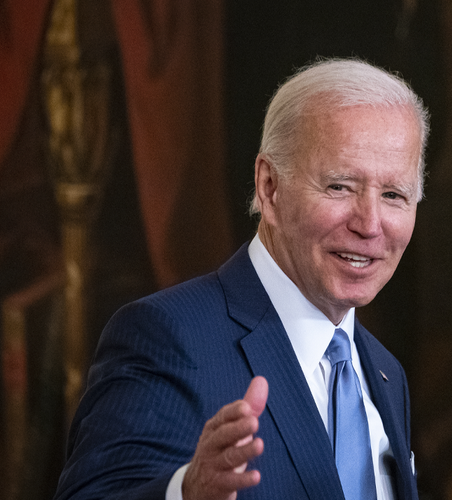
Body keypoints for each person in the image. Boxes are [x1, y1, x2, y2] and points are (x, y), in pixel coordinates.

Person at [54, 58, 429, 500]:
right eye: (339, 186)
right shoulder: (168, 337)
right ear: (269, 188)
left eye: (393, 195)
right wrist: (184, 492)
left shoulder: (386, 373)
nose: (370, 224)